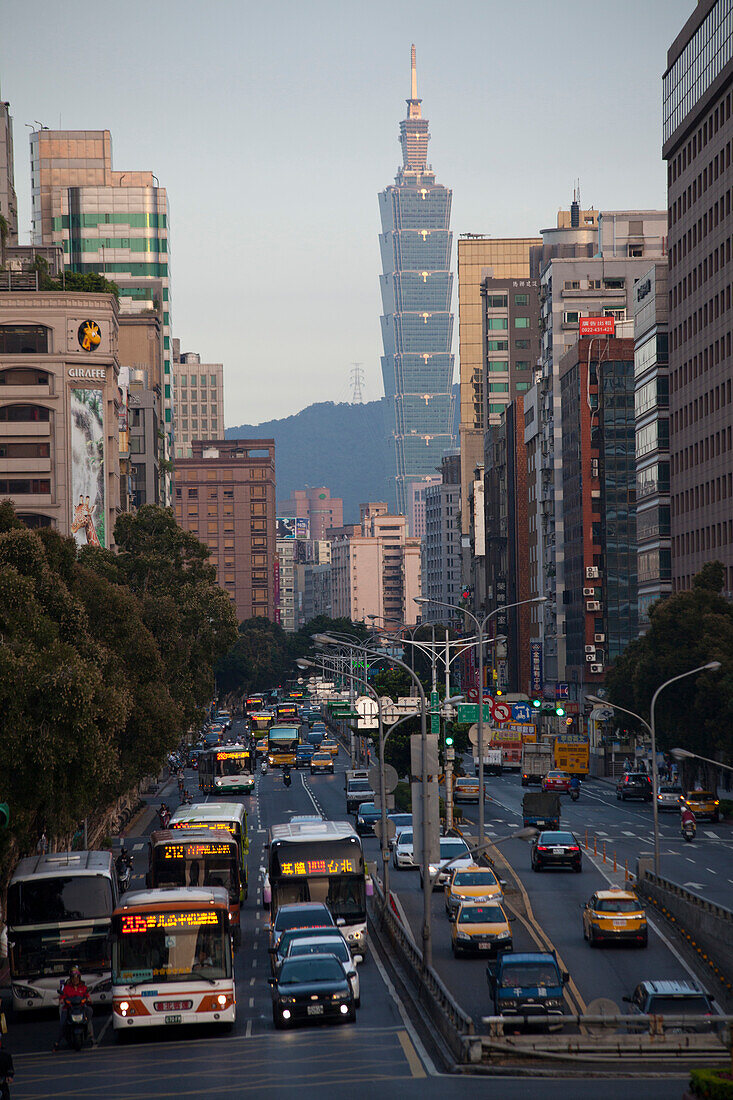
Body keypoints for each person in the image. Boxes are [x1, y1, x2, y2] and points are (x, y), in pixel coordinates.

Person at [54, 966, 94, 1050]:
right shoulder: (66, 988)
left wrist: (88, 1000)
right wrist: (62, 1000)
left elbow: (87, 996)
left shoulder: (83, 987)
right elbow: (62, 996)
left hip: (81, 1008)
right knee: (62, 1023)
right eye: (73, 978)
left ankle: (91, 1036)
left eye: (77, 978)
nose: (75, 980)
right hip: (69, 1008)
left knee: (89, 1012)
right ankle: (57, 1042)